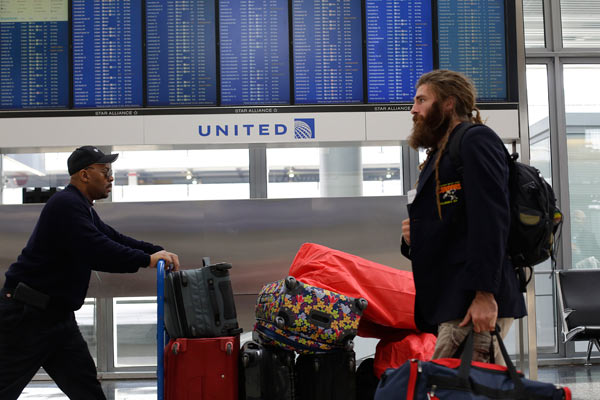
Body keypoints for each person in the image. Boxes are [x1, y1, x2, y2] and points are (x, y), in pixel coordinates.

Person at [0, 146, 180, 399]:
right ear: (84, 175)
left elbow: (112, 237)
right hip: (26, 317)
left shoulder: (80, 206)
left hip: (56, 317)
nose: (111, 177)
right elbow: (96, 249)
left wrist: (155, 250)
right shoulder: (65, 204)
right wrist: (146, 260)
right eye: (105, 172)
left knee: (87, 390)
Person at [400, 70, 527, 364]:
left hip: (472, 300)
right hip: (454, 299)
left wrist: (485, 295)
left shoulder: (474, 140)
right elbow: (454, 224)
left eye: (421, 100)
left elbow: (491, 219)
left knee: (457, 384)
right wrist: (413, 236)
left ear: (448, 103)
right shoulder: (440, 152)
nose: (414, 109)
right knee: (471, 384)